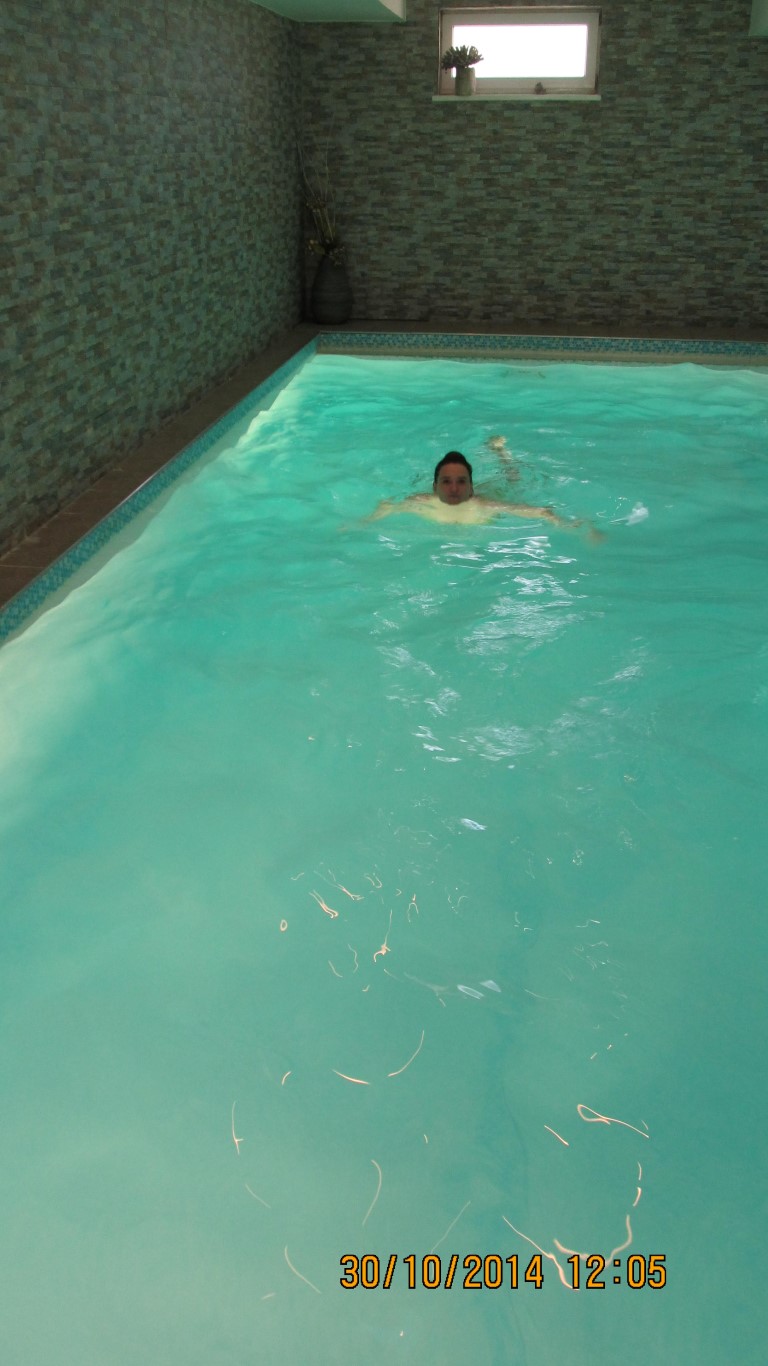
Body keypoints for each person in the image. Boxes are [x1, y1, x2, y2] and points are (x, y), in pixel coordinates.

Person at [369, 452, 587, 530]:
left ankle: (501, 453)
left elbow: (540, 511)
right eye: (446, 482)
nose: (454, 489)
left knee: (513, 480)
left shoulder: (486, 506)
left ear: (471, 488)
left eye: (461, 482)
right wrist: (364, 523)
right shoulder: (421, 501)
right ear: (435, 487)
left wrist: (564, 524)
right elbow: (387, 506)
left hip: (495, 492)